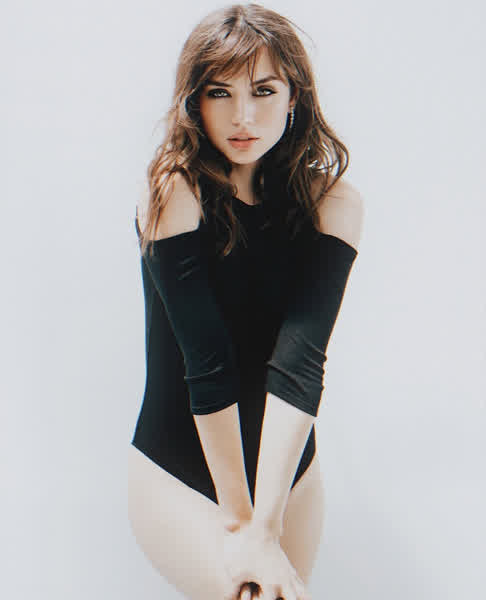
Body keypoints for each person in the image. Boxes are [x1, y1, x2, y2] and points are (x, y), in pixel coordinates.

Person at [127, 4, 364, 600]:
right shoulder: (174, 190)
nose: (242, 116)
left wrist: (266, 524)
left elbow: (300, 362)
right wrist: (240, 525)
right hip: (181, 468)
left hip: (288, 479)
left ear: (293, 97)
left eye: (263, 91)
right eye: (220, 92)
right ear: (194, 101)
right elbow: (207, 363)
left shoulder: (333, 203)